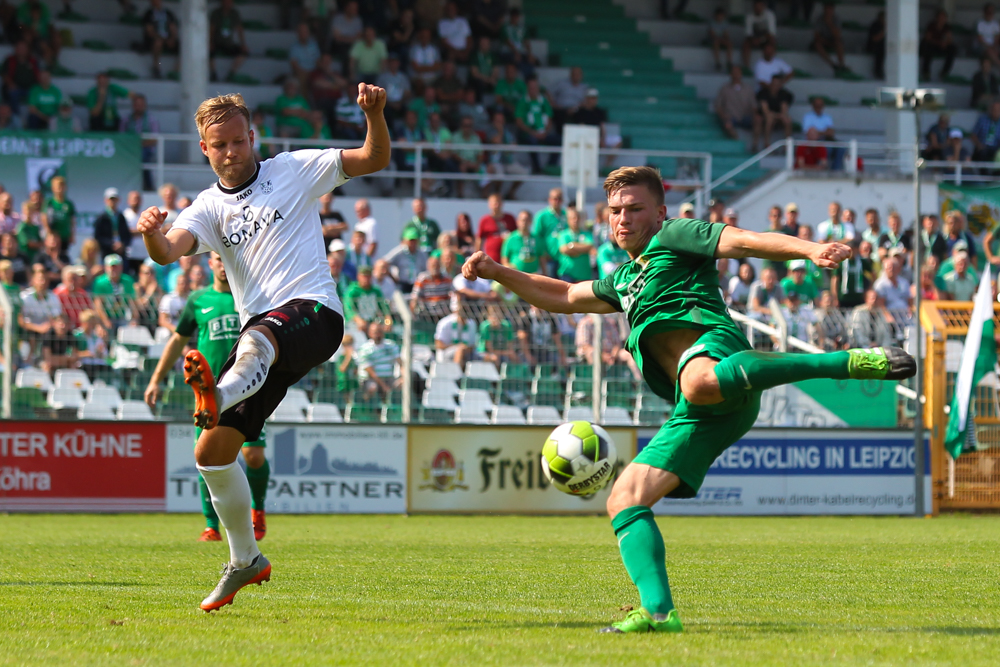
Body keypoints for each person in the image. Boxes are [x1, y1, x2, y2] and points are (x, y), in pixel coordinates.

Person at [461, 165, 915, 633]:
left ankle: (847, 362)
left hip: (718, 357)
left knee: (698, 381)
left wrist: (810, 249)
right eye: (615, 211)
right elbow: (563, 294)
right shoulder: (622, 280)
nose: (623, 219)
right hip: (699, 404)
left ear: (658, 213)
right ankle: (658, 613)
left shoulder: (676, 235)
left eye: (635, 209)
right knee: (624, 498)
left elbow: (741, 240)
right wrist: (498, 271)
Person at [135, 84, 389, 611]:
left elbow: (374, 157)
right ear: (204, 149)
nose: (231, 152)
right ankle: (246, 559)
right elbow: (168, 253)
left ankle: (218, 393)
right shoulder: (207, 207)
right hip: (264, 341)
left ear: (253, 137)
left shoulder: (293, 169)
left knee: (257, 338)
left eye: (238, 141)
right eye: (219, 145)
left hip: (315, 314)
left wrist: (375, 116)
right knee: (211, 452)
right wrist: (151, 235)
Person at [146, 252, 270, 542]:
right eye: (216, 258)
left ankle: (258, 510)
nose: (222, 264)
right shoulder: (198, 300)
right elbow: (178, 340)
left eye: (226, 258)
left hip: (246, 388)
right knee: (206, 456)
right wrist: (156, 379)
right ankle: (211, 525)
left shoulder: (250, 297)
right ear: (210, 264)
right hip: (208, 394)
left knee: (253, 455)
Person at [714, 65, 760, 149]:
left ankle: (755, 145)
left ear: (741, 74)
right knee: (727, 124)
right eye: (734, 73)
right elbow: (718, 106)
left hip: (746, 117)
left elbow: (754, 106)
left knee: (758, 119)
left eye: (737, 73)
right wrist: (723, 116)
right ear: (730, 74)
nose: (736, 75)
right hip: (731, 117)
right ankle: (739, 144)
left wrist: (755, 114)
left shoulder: (748, 89)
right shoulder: (724, 89)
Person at [355, 319, 401, 401]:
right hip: (371, 379)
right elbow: (371, 372)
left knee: (403, 384)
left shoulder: (391, 345)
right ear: (369, 333)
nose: (378, 334)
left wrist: (403, 378)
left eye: (379, 331)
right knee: (372, 387)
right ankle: (373, 410)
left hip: (389, 378)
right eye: (375, 332)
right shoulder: (364, 349)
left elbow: (401, 363)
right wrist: (384, 386)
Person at [209, 0, 249, 82]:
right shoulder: (216, 13)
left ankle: (231, 73)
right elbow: (212, 29)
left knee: (243, 52)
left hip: (229, 43)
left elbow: (239, 29)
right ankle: (213, 73)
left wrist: (243, 44)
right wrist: (210, 42)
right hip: (217, 42)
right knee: (208, 52)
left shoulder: (234, 14)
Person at [802, 96, 842, 169]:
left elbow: (831, 132)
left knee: (841, 148)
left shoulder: (827, 117)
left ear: (823, 106)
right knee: (827, 148)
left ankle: (836, 170)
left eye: (820, 105)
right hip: (814, 142)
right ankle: (822, 169)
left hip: (826, 139)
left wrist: (817, 132)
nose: (818, 107)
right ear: (813, 106)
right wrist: (823, 132)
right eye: (817, 105)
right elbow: (809, 132)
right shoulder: (808, 116)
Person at [382, 228, 427, 294]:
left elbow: (426, 268)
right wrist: (392, 277)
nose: (412, 243)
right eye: (410, 240)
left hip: (417, 284)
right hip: (403, 284)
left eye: (414, 240)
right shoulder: (399, 252)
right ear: (405, 241)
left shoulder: (422, 254)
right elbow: (384, 262)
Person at [434, 296, 477, 365]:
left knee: (490, 357)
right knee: (460, 350)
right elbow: (439, 345)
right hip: (446, 353)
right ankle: (457, 374)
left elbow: (472, 345)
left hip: (467, 353)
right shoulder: (445, 323)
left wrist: (465, 347)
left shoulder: (471, 323)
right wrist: (457, 346)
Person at [343, 265, 389, 329]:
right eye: (364, 276)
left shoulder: (376, 290)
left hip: (373, 322)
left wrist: (388, 321)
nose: (366, 279)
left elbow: (384, 307)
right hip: (355, 324)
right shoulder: (352, 291)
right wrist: (358, 320)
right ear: (358, 277)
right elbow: (348, 309)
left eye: (368, 277)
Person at [142, 0, 179, 79]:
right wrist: (162, 38)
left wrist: (172, 38)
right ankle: (156, 66)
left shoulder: (168, 13)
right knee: (158, 43)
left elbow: (173, 28)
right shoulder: (149, 14)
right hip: (154, 40)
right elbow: (149, 31)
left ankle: (177, 70)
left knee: (184, 46)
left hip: (167, 39)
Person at [93, 187, 132, 262]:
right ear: (106, 200)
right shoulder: (101, 218)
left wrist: (122, 245)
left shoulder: (121, 217)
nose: (113, 202)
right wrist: (111, 244)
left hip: (121, 253)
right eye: (111, 199)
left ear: (118, 200)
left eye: (115, 199)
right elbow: (97, 236)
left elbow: (127, 235)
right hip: (106, 253)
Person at [556, 207, 594, 283]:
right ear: (568, 220)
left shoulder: (587, 234)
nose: (575, 220)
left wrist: (572, 245)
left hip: (584, 275)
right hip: (567, 274)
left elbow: (589, 246)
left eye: (577, 218)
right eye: (573, 218)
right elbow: (564, 249)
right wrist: (581, 249)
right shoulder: (563, 235)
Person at [477, 193, 515, 263]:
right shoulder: (484, 220)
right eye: (494, 203)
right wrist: (478, 256)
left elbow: (516, 236)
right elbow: (480, 239)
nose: (496, 205)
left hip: (508, 259)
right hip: (491, 259)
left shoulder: (510, 218)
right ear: (489, 204)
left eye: (498, 202)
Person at [920, 10, 956, 81]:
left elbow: (950, 39)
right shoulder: (931, 25)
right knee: (927, 48)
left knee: (952, 49)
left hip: (941, 47)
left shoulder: (947, 27)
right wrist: (939, 43)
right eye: (940, 17)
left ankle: (944, 72)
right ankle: (926, 72)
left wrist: (945, 43)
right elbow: (928, 38)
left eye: (943, 17)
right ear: (936, 18)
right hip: (932, 46)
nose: (941, 19)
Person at [43, 175, 74, 259]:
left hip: (64, 235)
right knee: (50, 255)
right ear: (53, 188)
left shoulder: (68, 204)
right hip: (53, 236)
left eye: (62, 186)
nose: (60, 189)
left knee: (63, 255)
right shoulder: (49, 202)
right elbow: (44, 217)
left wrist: (72, 235)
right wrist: (49, 232)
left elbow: (72, 220)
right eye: (57, 187)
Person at [756, 76, 793, 146]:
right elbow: (765, 111)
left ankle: (787, 146)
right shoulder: (763, 93)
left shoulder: (784, 94)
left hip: (778, 116)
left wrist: (777, 116)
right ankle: (767, 144)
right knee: (769, 119)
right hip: (765, 117)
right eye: (773, 83)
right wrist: (775, 115)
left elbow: (784, 111)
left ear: (780, 85)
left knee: (787, 120)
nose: (775, 86)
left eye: (777, 84)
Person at [501, 209, 539, 274]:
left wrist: (544, 273)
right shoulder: (511, 238)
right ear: (517, 221)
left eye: (527, 220)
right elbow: (504, 259)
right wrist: (509, 268)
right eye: (522, 220)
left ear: (531, 222)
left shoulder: (537, 238)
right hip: (516, 276)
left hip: (533, 275)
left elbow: (542, 258)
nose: (524, 222)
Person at [813, 2, 847, 74]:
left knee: (839, 43)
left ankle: (841, 64)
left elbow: (837, 35)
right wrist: (823, 40)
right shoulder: (819, 19)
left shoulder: (836, 19)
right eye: (826, 9)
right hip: (823, 40)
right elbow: (816, 35)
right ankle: (833, 65)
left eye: (830, 9)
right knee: (817, 44)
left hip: (833, 40)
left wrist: (829, 23)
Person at [742, 0, 777, 69]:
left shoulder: (770, 15)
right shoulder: (749, 16)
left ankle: (770, 65)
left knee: (772, 42)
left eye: (759, 7)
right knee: (745, 44)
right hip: (754, 38)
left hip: (765, 38)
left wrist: (760, 40)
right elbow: (748, 34)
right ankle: (746, 66)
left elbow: (771, 33)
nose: (758, 9)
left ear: (763, 7)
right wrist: (754, 40)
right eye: (756, 7)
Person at [708, 7, 733, 72]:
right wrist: (719, 39)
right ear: (716, 16)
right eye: (719, 15)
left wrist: (724, 39)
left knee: (729, 43)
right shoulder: (712, 23)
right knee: (716, 43)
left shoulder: (725, 23)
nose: (720, 17)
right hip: (713, 40)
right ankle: (717, 62)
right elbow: (712, 35)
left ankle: (729, 62)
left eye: (721, 16)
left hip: (722, 39)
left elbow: (726, 35)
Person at [867, 11, 886, 79]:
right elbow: (875, 39)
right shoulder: (875, 25)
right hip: (874, 47)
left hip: (884, 47)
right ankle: (878, 72)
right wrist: (885, 30)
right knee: (880, 49)